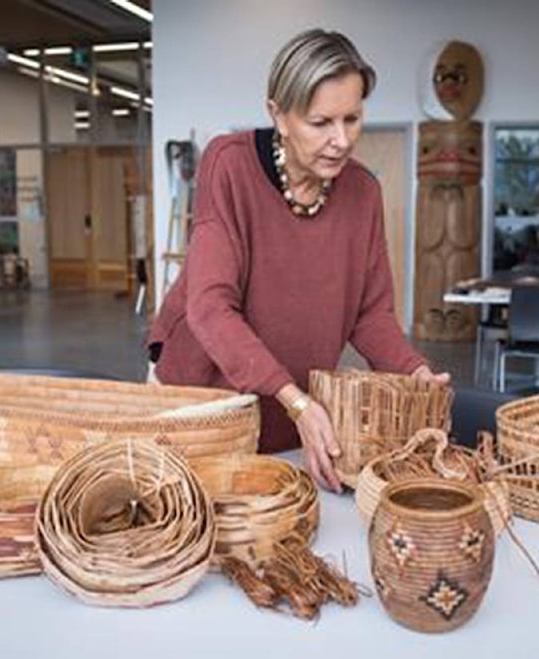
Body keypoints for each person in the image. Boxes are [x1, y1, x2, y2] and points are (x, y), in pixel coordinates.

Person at [148, 28, 449, 492]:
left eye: (352, 118)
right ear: (279, 115)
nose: (342, 140)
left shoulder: (363, 192)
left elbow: (371, 315)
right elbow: (209, 307)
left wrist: (414, 371)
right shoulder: (228, 164)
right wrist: (297, 401)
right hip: (204, 399)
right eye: (321, 122)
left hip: (291, 409)